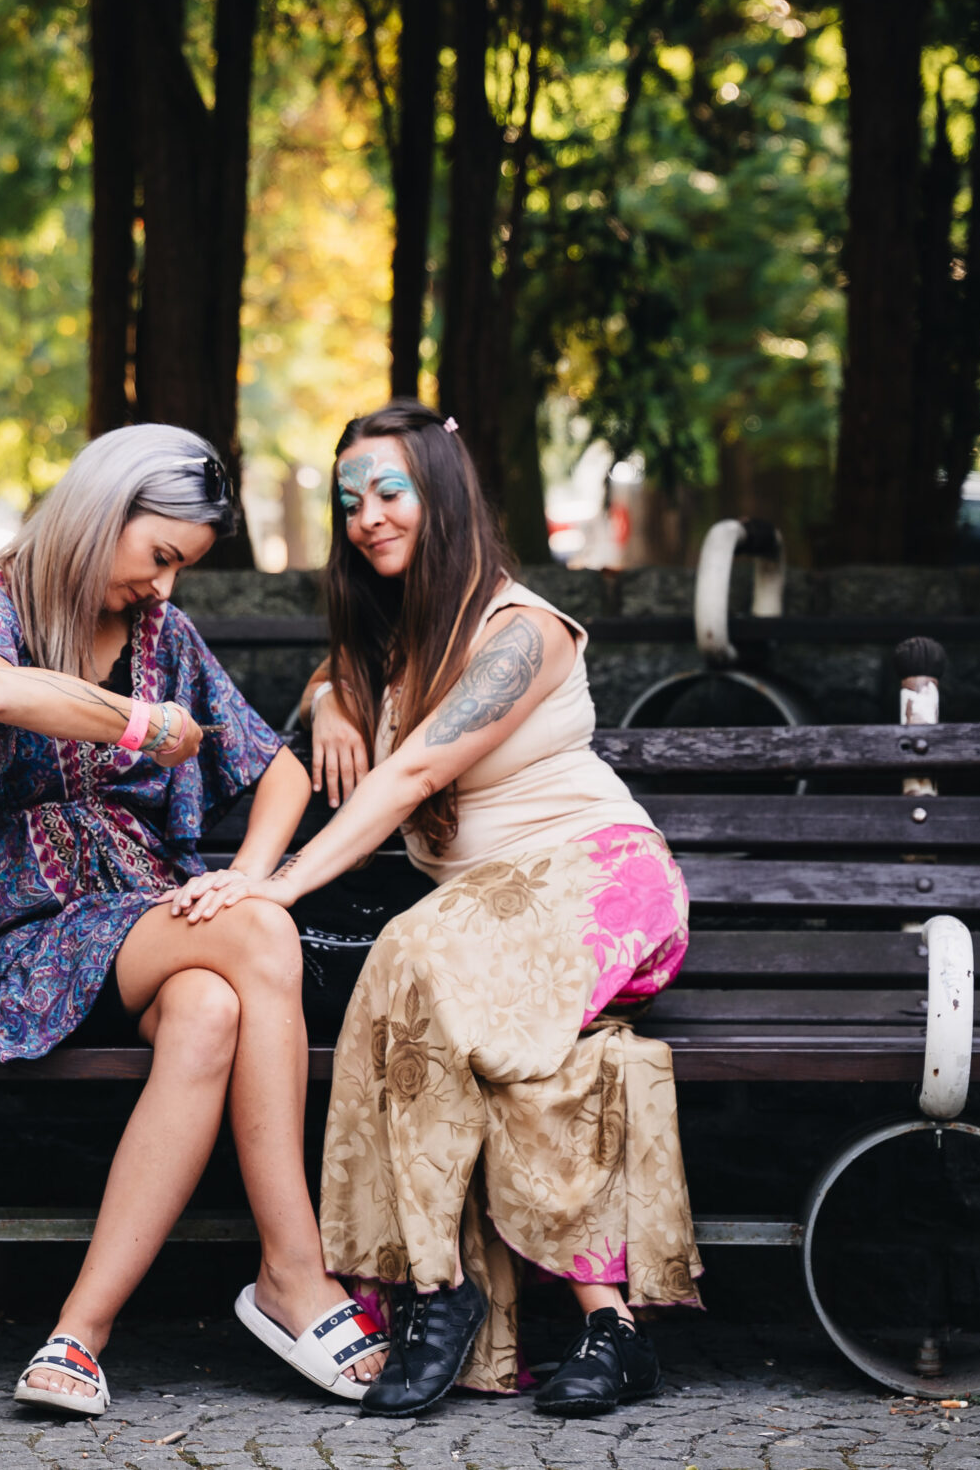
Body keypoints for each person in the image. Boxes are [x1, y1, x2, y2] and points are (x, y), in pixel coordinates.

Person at [162, 399, 700, 1419]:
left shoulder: (523, 632)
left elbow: (413, 773)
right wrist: (331, 694)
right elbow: (346, 693)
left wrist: (277, 883)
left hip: (600, 883)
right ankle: (613, 1332)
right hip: (484, 928)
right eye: (349, 499)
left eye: (390, 491)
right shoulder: (396, 648)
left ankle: (432, 1288)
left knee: (408, 956)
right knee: (513, 1058)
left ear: (443, 497)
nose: (366, 515)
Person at [0, 423, 387, 1417]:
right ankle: (293, 1268)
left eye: (180, 568)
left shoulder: (165, 636)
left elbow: (281, 771)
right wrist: (139, 724)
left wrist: (246, 877)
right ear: (102, 510)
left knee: (209, 1006)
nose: (163, 586)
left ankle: (78, 1335)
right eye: (158, 555)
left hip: (147, 914)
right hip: (26, 926)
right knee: (259, 934)